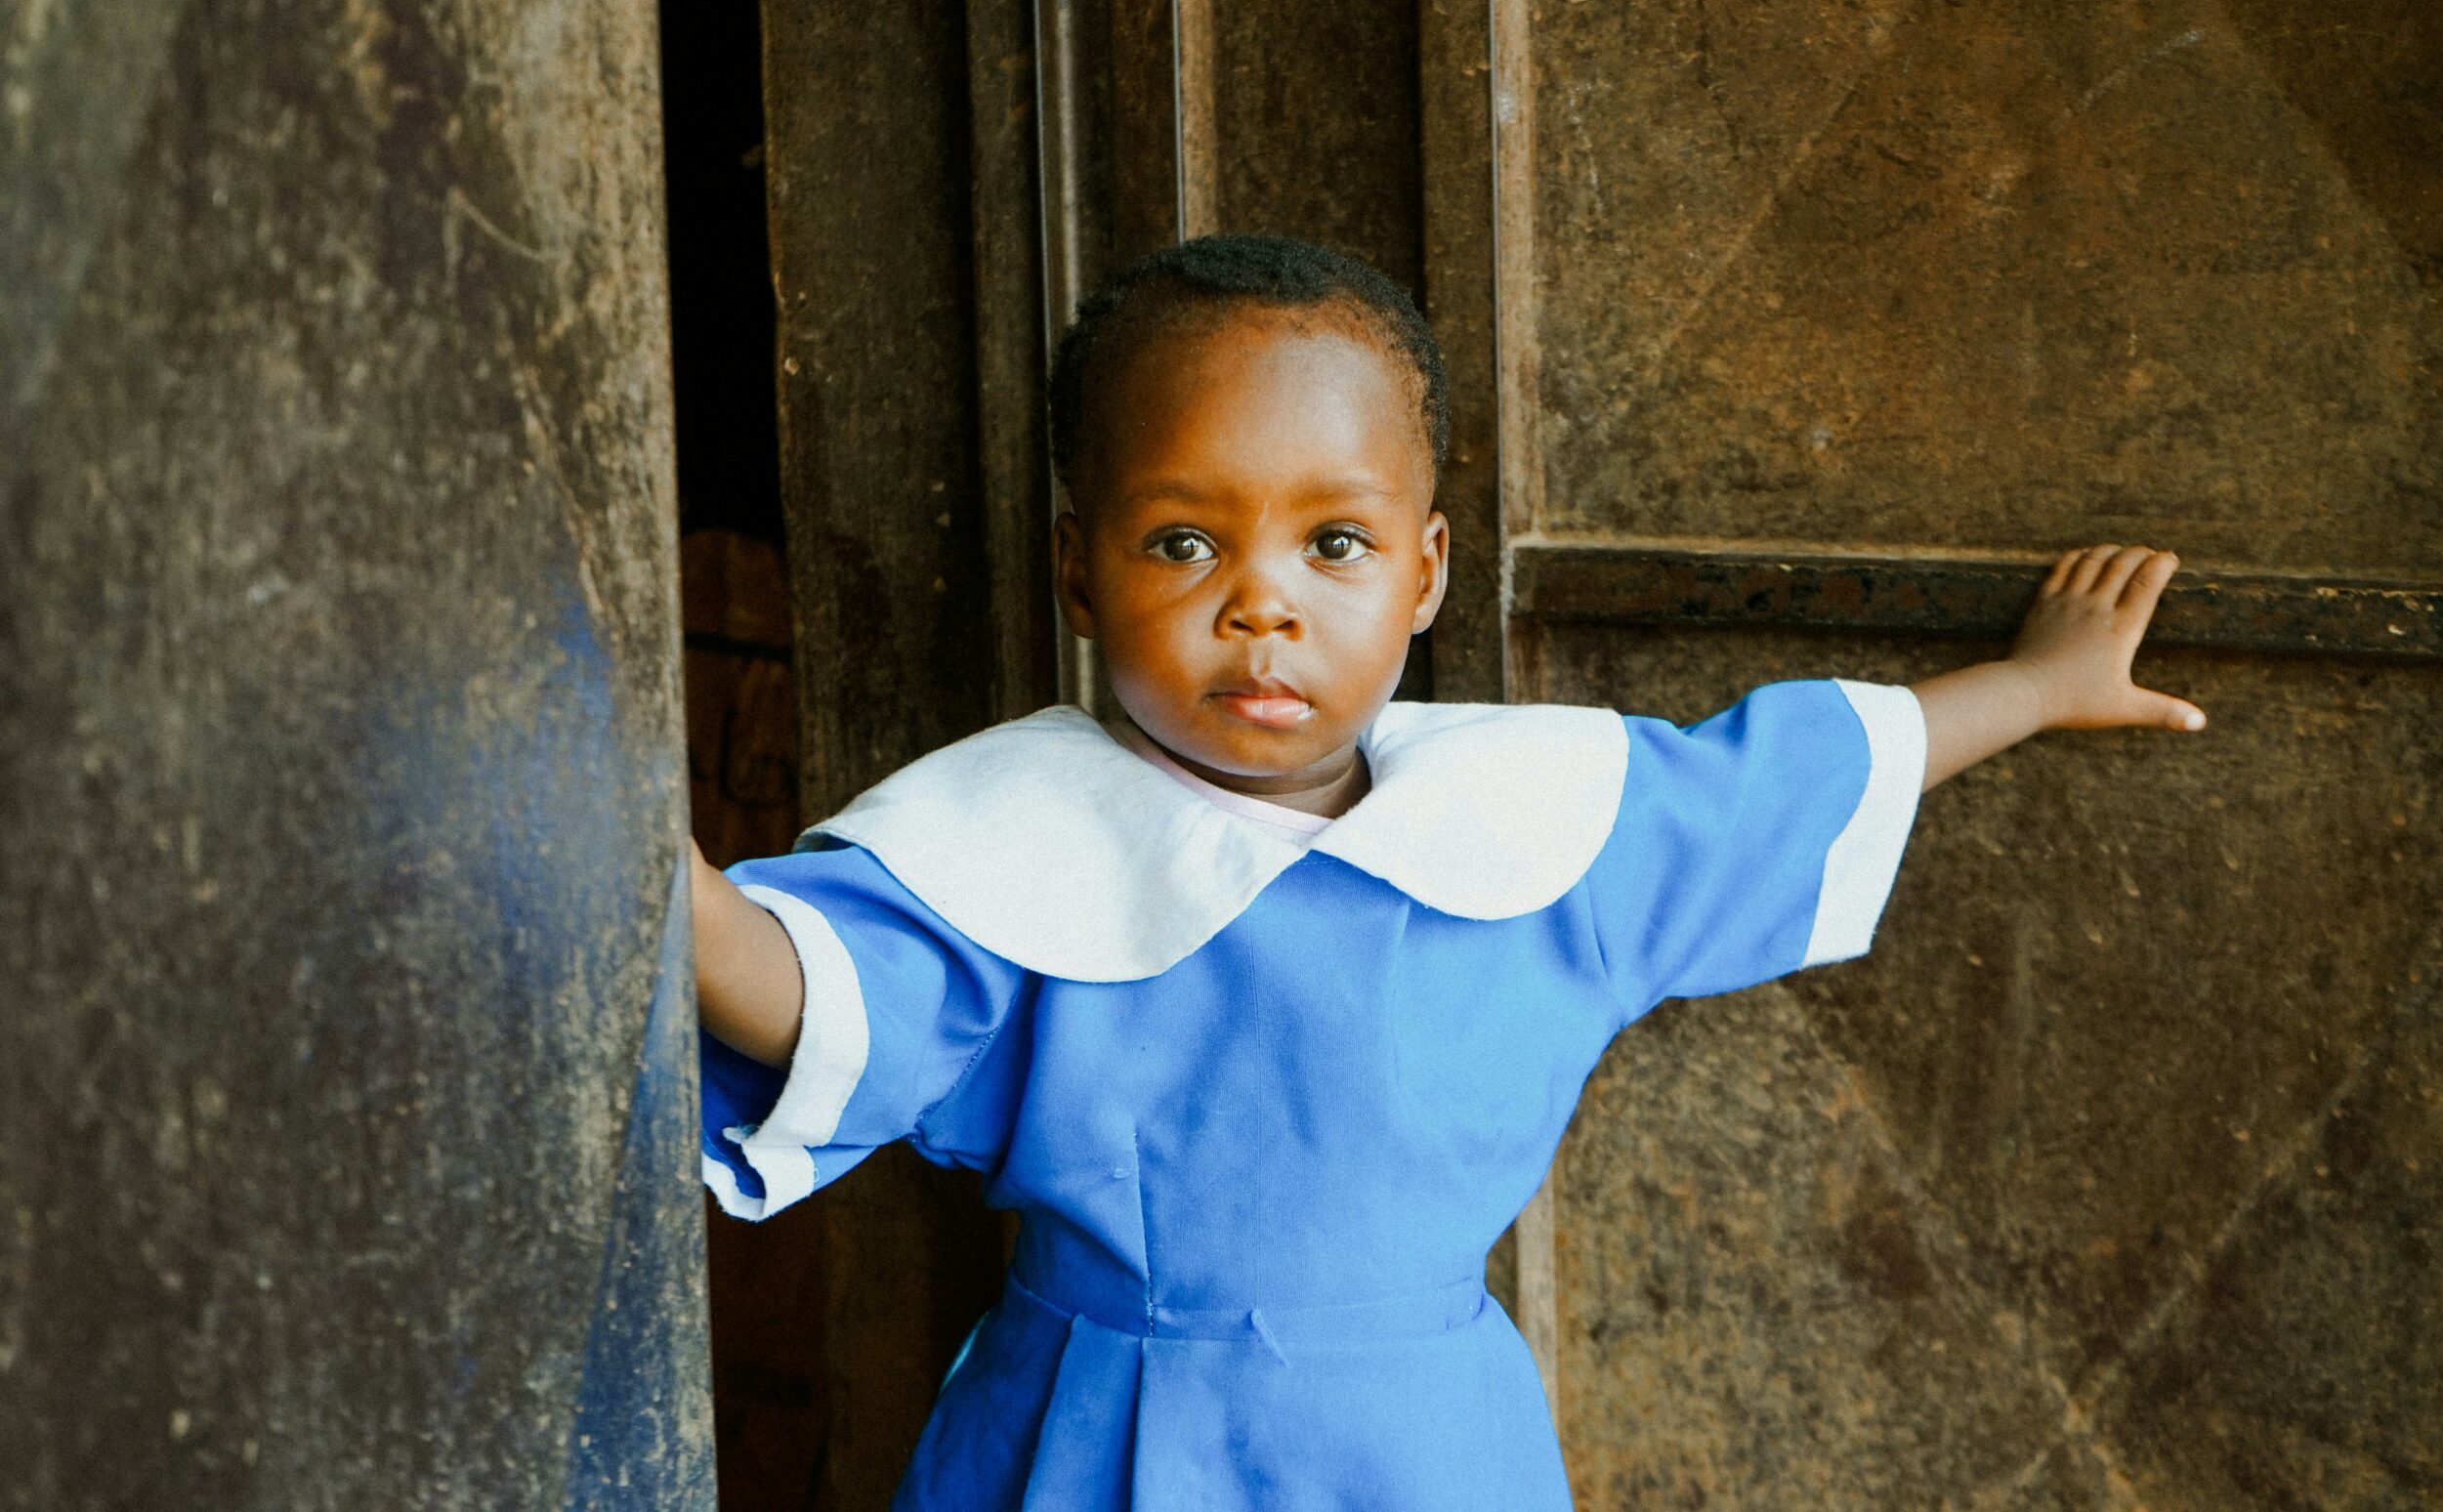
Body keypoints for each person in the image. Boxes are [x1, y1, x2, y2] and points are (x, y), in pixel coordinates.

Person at [688, 234, 2205, 1510]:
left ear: (1427, 570)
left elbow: (1786, 788)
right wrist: (646, 860)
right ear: (1081, 569)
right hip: (1094, 1433)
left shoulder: (1540, 815)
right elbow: (802, 990)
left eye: (1333, 544)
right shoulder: (1007, 841)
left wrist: (2035, 682)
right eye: (1181, 546)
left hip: (1420, 1443)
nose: (1261, 606)